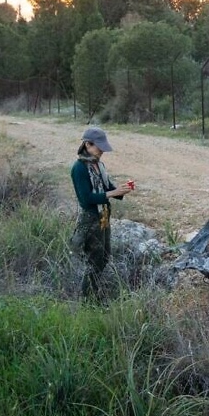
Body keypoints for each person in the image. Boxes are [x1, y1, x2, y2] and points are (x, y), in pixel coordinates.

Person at [70, 126, 132, 299]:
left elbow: (107, 187)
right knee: (93, 262)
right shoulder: (79, 168)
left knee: (103, 258)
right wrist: (113, 193)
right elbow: (86, 199)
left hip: (103, 217)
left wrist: (121, 190)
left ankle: (94, 295)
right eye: (99, 147)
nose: (102, 151)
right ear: (87, 144)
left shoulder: (98, 165)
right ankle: (87, 300)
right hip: (90, 220)